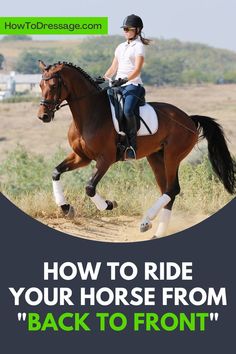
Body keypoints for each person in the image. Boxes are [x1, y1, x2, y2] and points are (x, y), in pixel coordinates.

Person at [104, 14, 150, 160]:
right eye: (124, 29)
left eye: (127, 29)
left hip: (133, 86)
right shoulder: (120, 47)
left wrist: (123, 80)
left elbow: (137, 70)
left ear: (137, 30)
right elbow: (113, 67)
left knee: (128, 111)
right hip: (118, 85)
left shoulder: (139, 47)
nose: (125, 31)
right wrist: (104, 77)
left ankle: (132, 146)